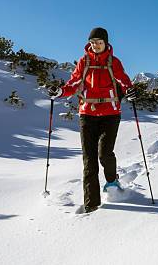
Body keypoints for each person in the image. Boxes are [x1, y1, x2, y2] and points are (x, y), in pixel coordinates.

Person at [48, 27, 137, 213]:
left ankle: (112, 181)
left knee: (104, 154)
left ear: (106, 43)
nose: (95, 45)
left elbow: (123, 81)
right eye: (92, 42)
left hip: (110, 114)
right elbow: (73, 83)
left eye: (99, 42)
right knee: (89, 162)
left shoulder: (114, 62)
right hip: (87, 115)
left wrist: (130, 90)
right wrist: (61, 92)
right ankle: (92, 205)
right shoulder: (84, 62)